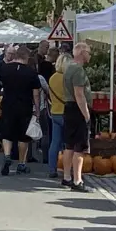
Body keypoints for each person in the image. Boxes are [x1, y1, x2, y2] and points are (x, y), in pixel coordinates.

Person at [0, 47, 44, 175]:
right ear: (27, 57)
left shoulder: (4, 68)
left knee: (7, 133)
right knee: (23, 136)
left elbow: (1, 85)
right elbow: (36, 94)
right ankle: (21, 163)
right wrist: (37, 110)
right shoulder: (31, 72)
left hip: (7, 104)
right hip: (25, 106)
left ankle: (7, 155)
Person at [58, 42, 93, 192]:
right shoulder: (78, 70)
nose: (90, 55)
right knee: (79, 146)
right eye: (88, 52)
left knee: (69, 145)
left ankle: (66, 177)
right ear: (82, 53)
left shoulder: (68, 67)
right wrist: (86, 115)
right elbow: (79, 95)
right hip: (77, 109)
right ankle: (77, 180)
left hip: (69, 108)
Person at [46, 47, 71, 178]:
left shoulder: (52, 78)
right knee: (69, 143)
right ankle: (67, 170)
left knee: (55, 142)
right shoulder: (67, 78)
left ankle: (52, 169)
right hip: (67, 113)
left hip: (55, 112)